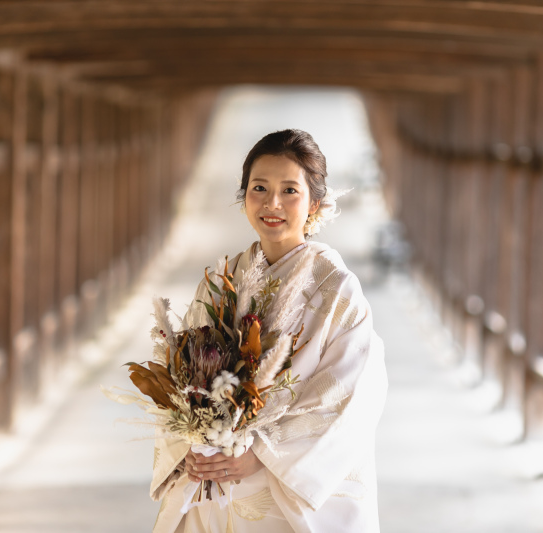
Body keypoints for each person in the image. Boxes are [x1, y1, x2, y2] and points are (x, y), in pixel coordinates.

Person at [150, 129, 388, 532]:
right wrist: (191, 444)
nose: (272, 203)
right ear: (244, 196)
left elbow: (350, 396)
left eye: (289, 190)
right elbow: (179, 373)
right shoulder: (220, 280)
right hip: (217, 481)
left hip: (282, 488)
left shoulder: (337, 289)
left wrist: (259, 453)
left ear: (315, 203)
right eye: (259, 187)